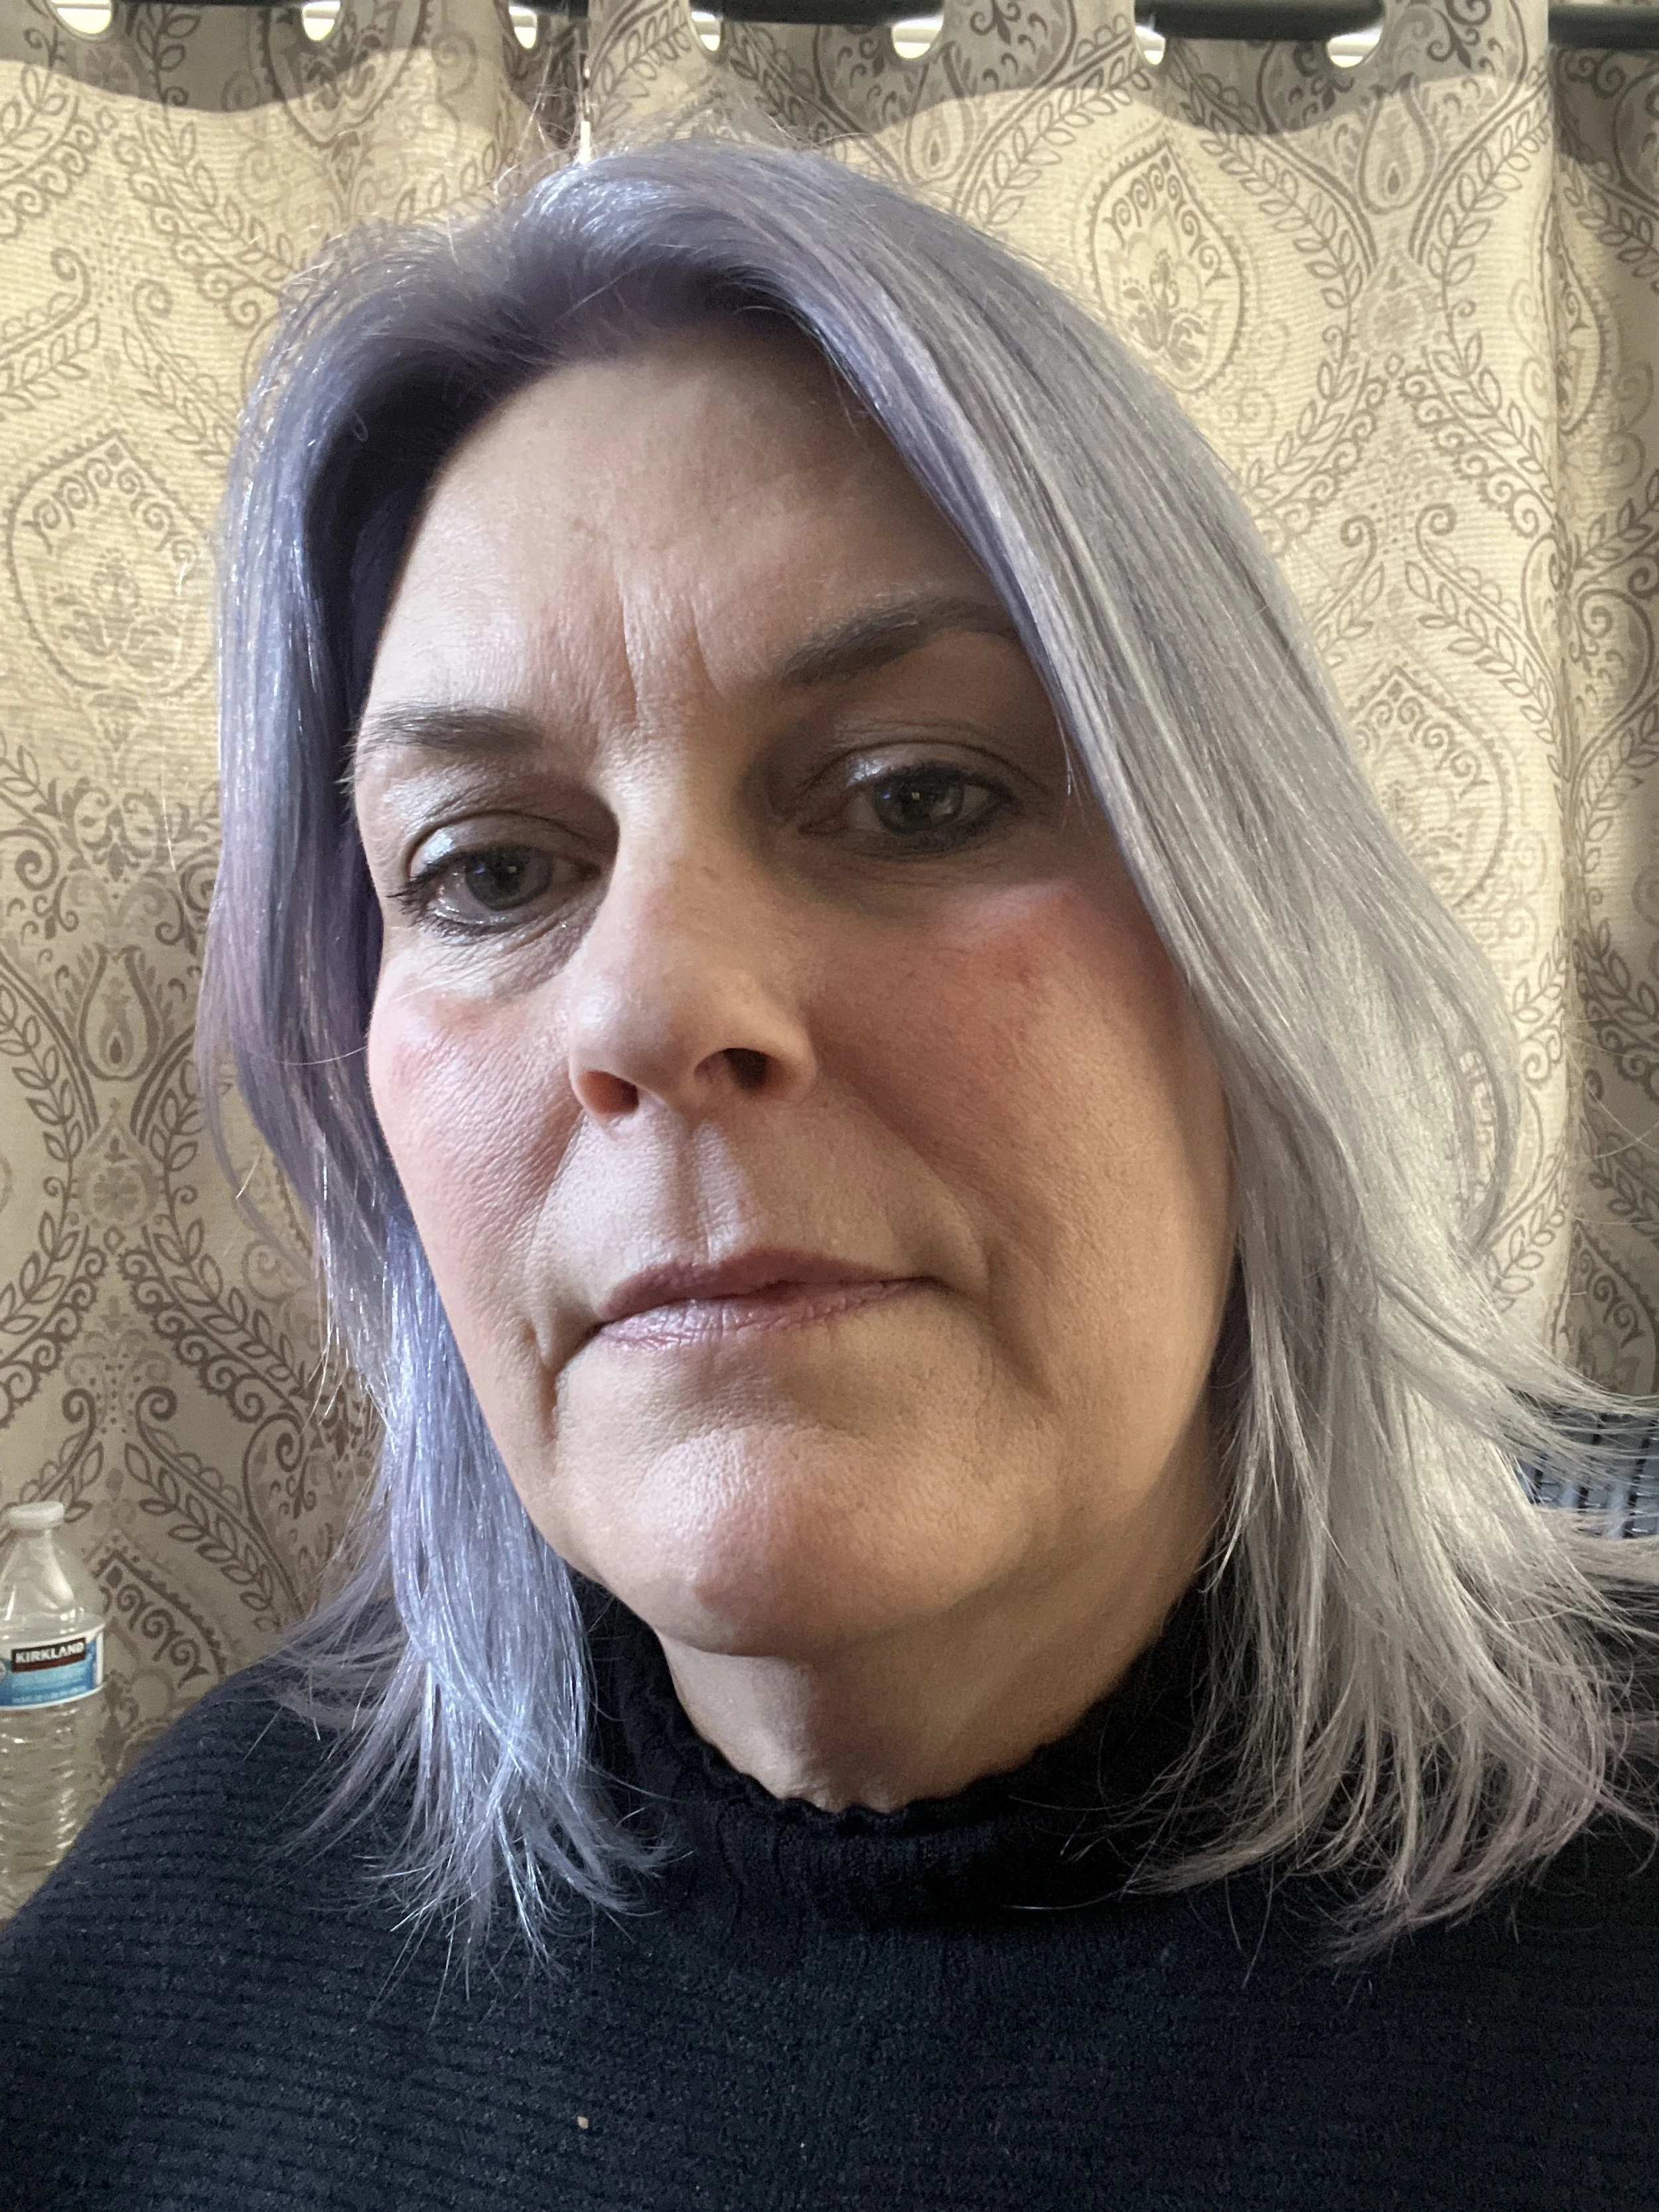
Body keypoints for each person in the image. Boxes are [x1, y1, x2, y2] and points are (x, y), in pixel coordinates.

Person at [4, 126, 1659, 2211]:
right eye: (490, 867)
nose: (647, 1008)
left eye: (914, 796)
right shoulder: (188, 1929)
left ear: (1257, 953)